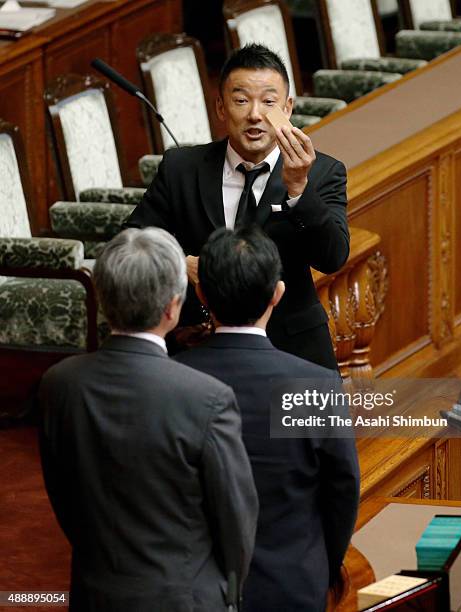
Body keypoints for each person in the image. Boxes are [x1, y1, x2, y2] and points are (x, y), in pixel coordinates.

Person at [38, 228, 258, 612]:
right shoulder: (206, 397)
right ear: (173, 307)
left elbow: (63, 496)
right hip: (185, 599)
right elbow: (236, 519)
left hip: (94, 593)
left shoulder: (59, 383)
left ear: (102, 300)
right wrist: (228, 593)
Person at [125, 43, 349, 369]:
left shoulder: (322, 172)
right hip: (196, 349)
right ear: (220, 107)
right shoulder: (182, 167)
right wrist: (181, 263)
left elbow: (333, 257)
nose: (255, 114)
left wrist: (299, 189)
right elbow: (133, 238)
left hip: (291, 350)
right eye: (241, 100)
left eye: (268, 102)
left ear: (287, 109)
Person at [176, 226, 360, 612]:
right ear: (277, 293)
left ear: (201, 293)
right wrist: (322, 567)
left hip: (191, 588)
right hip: (292, 584)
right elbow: (342, 491)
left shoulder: (172, 380)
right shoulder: (313, 384)